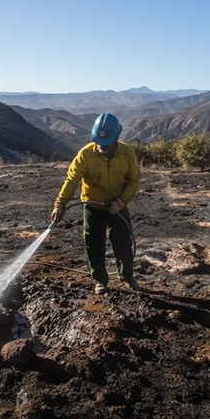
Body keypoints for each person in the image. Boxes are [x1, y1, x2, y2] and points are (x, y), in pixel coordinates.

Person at [51, 113, 141, 295]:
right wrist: (60, 204)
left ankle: (127, 277)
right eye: (100, 143)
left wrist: (120, 202)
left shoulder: (127, 153)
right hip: (93, 207)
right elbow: (72, 179)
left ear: (116, 139)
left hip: (118, 208)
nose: (103, 147)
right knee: (94, 244)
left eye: (107, 144)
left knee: (123, 243)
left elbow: (134, 181)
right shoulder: (85, 155)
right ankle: (100, 281)